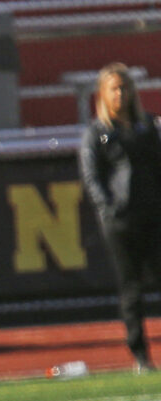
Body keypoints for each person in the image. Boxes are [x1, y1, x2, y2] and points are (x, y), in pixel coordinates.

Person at [78, 62, 161, 374]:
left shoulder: (147, 126)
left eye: (125, 87)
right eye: (114, 88)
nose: (121, 94)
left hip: (153, 214)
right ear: (103, 94)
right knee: (131, 288)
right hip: (121, 221)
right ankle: (140, 353)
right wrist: (109, 206)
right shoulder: (99, 134)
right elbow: (92, 175)